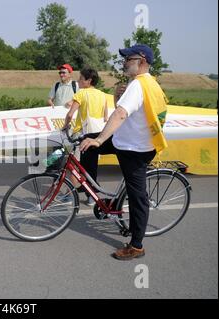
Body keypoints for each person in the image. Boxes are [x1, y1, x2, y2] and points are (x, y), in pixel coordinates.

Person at [79, 44, 168, 260]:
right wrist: (118, 98)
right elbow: (130, 111)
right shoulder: (149, 83)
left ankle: (136, 246)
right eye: (125, 59)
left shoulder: (139, 85)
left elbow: (120, 114)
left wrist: (100, 138)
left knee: (138, 197)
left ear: (143, 60)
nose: (124, 62)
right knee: (85, 142)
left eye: (129, 58)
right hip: (125, 140)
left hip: (135, 149)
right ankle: (95, 192)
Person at [62, 67, 108, 205]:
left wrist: (65, 126)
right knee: (90, 167)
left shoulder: (81, 93)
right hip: (97, 136)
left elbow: (70, 114)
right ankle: (91, 197)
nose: (78, 80)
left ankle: (70, 195)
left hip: (82, 134)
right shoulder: (102, 95)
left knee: (75, 166)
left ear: (89, 81)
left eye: (81, 78)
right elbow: (105, 117)